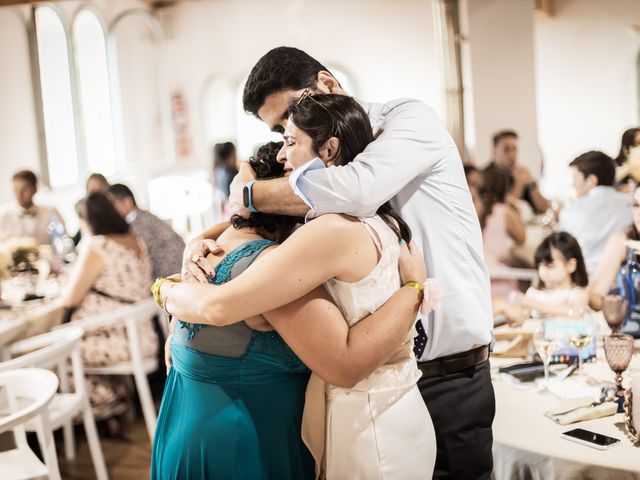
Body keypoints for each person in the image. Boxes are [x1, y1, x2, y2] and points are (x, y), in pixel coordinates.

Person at [182, 46, 494, 479]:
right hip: (366, 389)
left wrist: (248, 194)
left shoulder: (405, 121)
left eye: (292, 114)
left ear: (327, 83)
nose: (284, 142)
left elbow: (357, 190)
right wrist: (205, 239)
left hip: (448, 372)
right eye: (279, 130)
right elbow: (290, 227)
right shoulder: (322, 179)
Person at [159, 97, 438, 479]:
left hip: (368, 422)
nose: (281, 158)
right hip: (390, 408)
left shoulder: (330, 230)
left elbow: (221, 305)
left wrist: (165, 291)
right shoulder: (373, 217)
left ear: (329, 149)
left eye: (290, 142)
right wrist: (198, 241)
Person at [58, 192, 157, 418]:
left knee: (55, 356)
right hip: (142, 335)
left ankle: (108, 401)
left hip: (118, 340)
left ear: (89, 220)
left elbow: (70, 298)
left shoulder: (98, 246)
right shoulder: (135, 240)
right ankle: (112, 401)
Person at [559, 151, 632, 271]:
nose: (573, 184)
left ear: (592, 180)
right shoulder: (632, 204)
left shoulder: (572, 210)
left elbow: (562, 251)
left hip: (585, 278)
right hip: (625, 277)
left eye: (575, 178)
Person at [108, 183, 185, 279]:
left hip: (173, 272)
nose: (109, 210)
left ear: (127, 201)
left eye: (112, 204)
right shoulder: (138, 218)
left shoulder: (140, 223)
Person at [589, 185, 640, 311]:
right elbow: (594, 296)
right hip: (630, 327)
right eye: (636, 205)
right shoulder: (622, 240)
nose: (639, 213)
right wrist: (616, 310)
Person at [477, 165, 525, 298]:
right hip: (499, 278)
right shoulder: (504, 211)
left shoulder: (475, 208)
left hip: (478, 278)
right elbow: (521, 238)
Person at [515, 232, 589, 316]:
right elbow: (522, 317)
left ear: (570, 265)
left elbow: (575, 313)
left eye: (549, 266)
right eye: (540, 265)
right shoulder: (534, 294)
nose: (543, 271)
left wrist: (536, 305)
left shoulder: (577, 294)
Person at [489, 129, 549, 214]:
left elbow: (543, 208)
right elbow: (504, 213)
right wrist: (519, 184)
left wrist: (532, 185)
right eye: (506, 150)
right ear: (494, 152)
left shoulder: (520, 173)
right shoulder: (486, 177)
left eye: (514, 149)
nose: (512, 154)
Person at [0, 170, 65, 245]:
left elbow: (62, 241)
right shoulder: (3, 215)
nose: (19, 194)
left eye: (24, 189)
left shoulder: (51, 212)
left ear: (35, 189)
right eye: (16, 189)